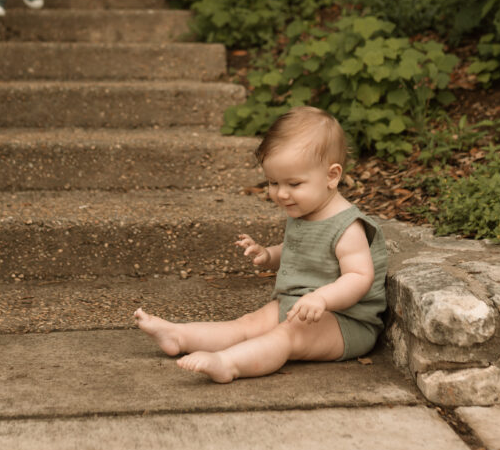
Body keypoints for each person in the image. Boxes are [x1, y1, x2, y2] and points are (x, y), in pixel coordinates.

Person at [134, 106, 387, 383]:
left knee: (286, 335)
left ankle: (228, 364)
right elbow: (301, 253)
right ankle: (179, 336)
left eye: (293, 183)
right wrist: (269, 255)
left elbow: (359, 276)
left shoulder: (348, 227)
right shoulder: (307, 209)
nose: (281, 193)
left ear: (331, 176)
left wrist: (322, 298)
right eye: (273, 182)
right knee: (248, 323)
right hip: (298, 305)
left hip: (344, 322)